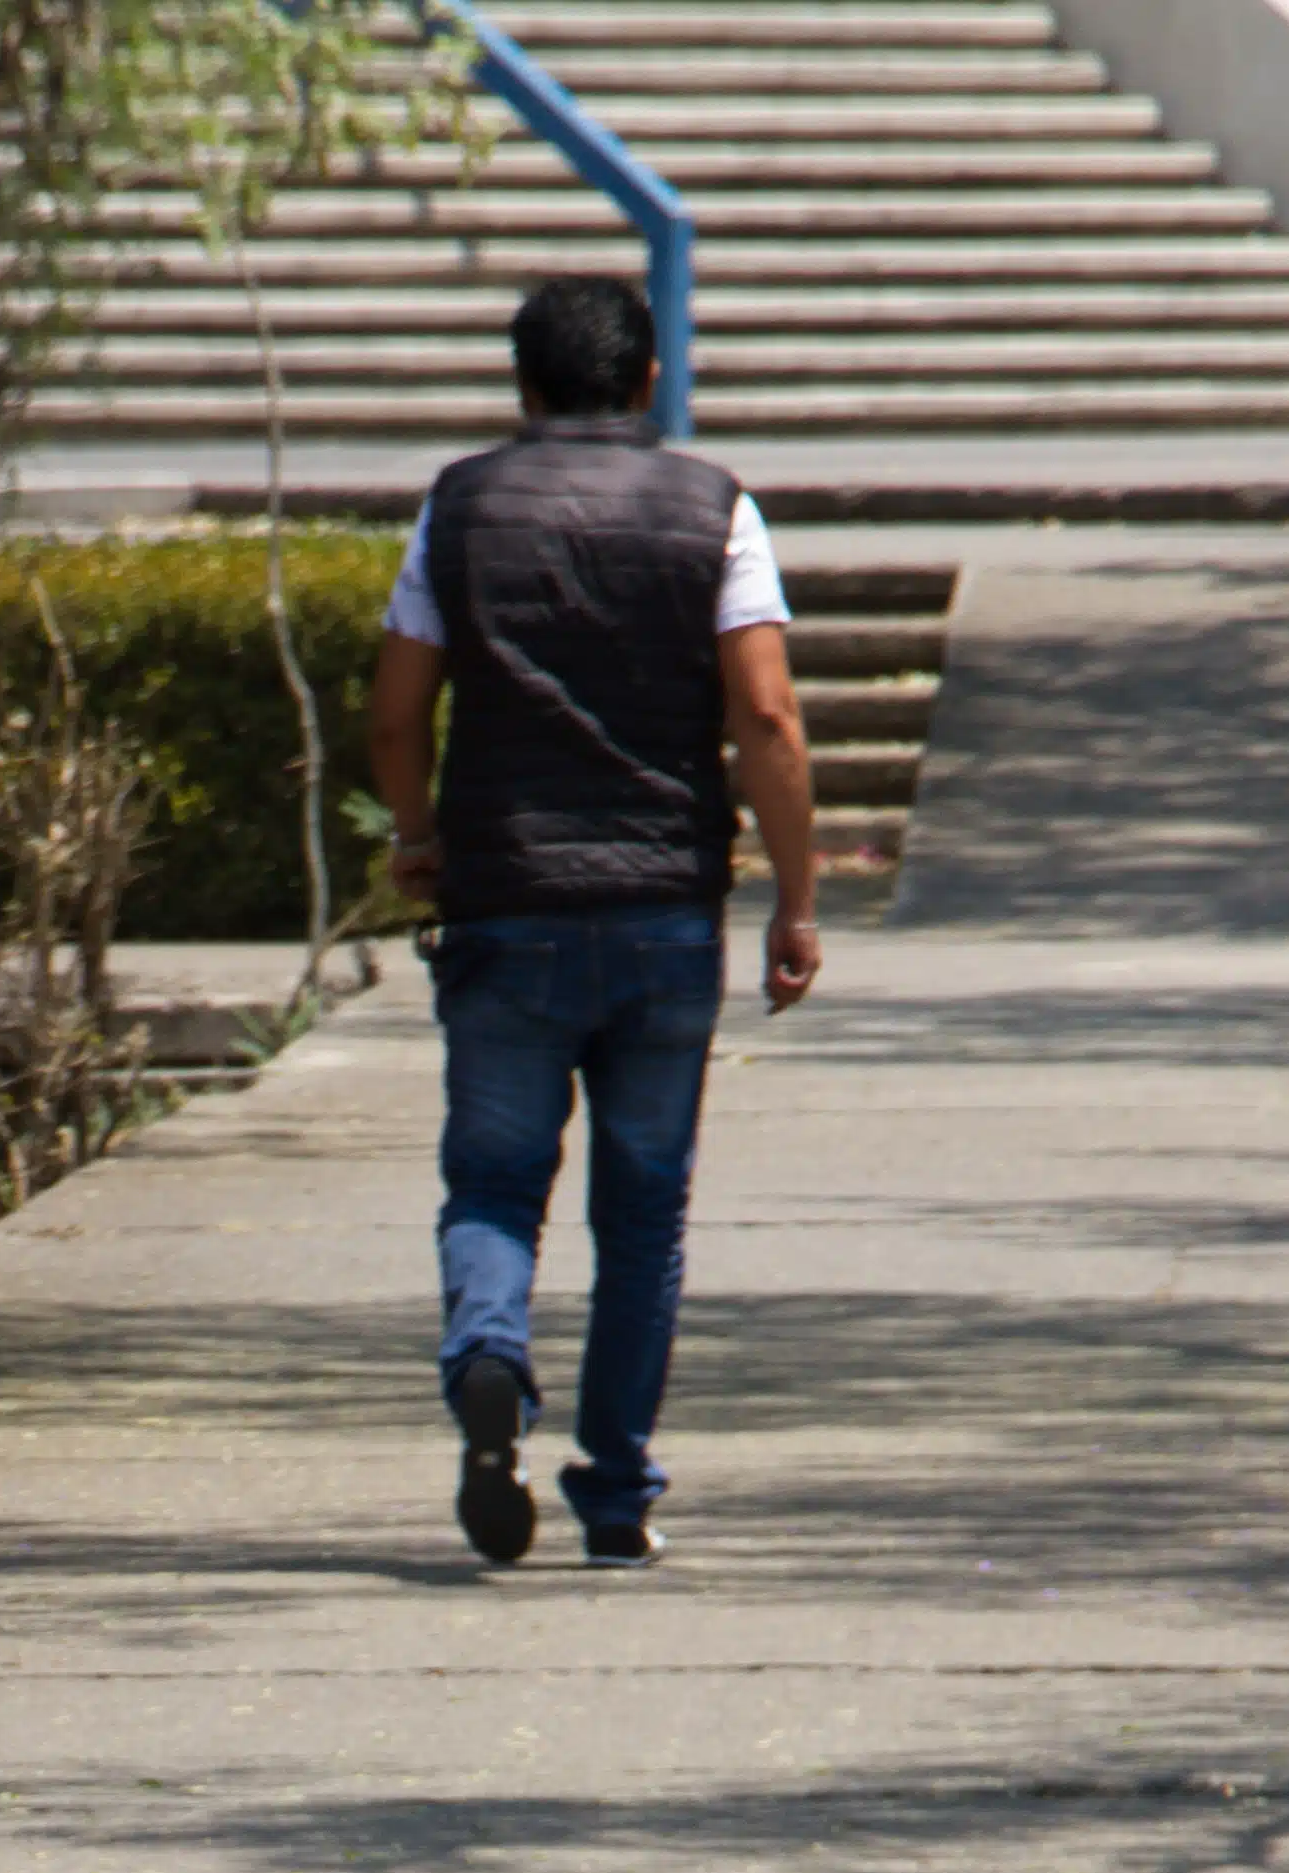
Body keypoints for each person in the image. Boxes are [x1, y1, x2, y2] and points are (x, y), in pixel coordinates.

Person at [366, 271, 821, 1571]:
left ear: (522, 391)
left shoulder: (458, 508)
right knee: (643, 1218)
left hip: (506, 907)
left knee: (495, 1183)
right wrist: (795, 899)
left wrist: (416, 838)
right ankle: (615, 1492)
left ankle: (490, 1353)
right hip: (666, 919)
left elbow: (398, 714)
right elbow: (769, 720)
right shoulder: (714, 509)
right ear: (647, 383)